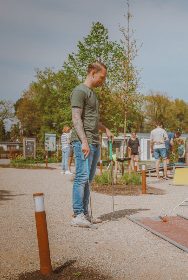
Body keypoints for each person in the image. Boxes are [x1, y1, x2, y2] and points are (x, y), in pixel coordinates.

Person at [70, 61, 114, 228]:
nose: (103, 81)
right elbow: (76, 119)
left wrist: (106, 129)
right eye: (102, 77)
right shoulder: (79, 92)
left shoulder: (92, 94)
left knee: (89, 179)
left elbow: (92, 121)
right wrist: (84, 141)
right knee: (81, 177)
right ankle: (77, 214)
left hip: (94, 141)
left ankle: (86, 214)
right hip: (84, 142)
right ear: (93, 73)